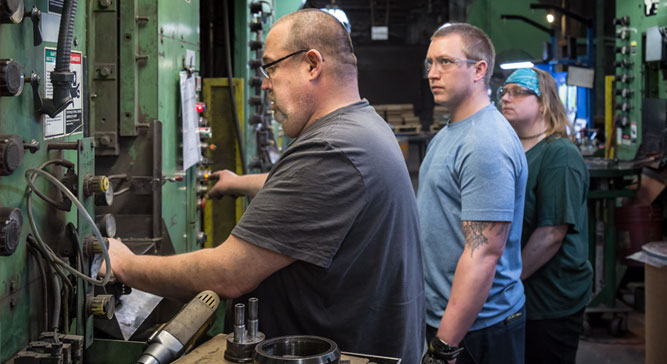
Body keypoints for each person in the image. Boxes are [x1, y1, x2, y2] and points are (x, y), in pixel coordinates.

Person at [100, 9, 425, 362]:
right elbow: (308, 193)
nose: (264, 83)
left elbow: (229, 273)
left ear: (312, 64)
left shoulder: (332, 148)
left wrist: (124, 264)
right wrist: (240, 183)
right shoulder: (362, 126)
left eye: (270, 67)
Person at [419, 23, 528, 364]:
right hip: (451, 320)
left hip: (478, 330)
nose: (433, 73)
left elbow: (483, 254)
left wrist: (445, 346)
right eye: (430, 63)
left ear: (479, 69)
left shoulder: (485, 142)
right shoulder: (451, 132)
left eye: (446, 62)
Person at [500, 67, 592, 364]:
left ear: (543, 102)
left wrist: (507, 282)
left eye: (517, 92)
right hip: (519, 295)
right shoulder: (512, 150)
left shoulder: (559, 154)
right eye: (503, 91)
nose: (505, 97)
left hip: (551, 298)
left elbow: (551, 234)